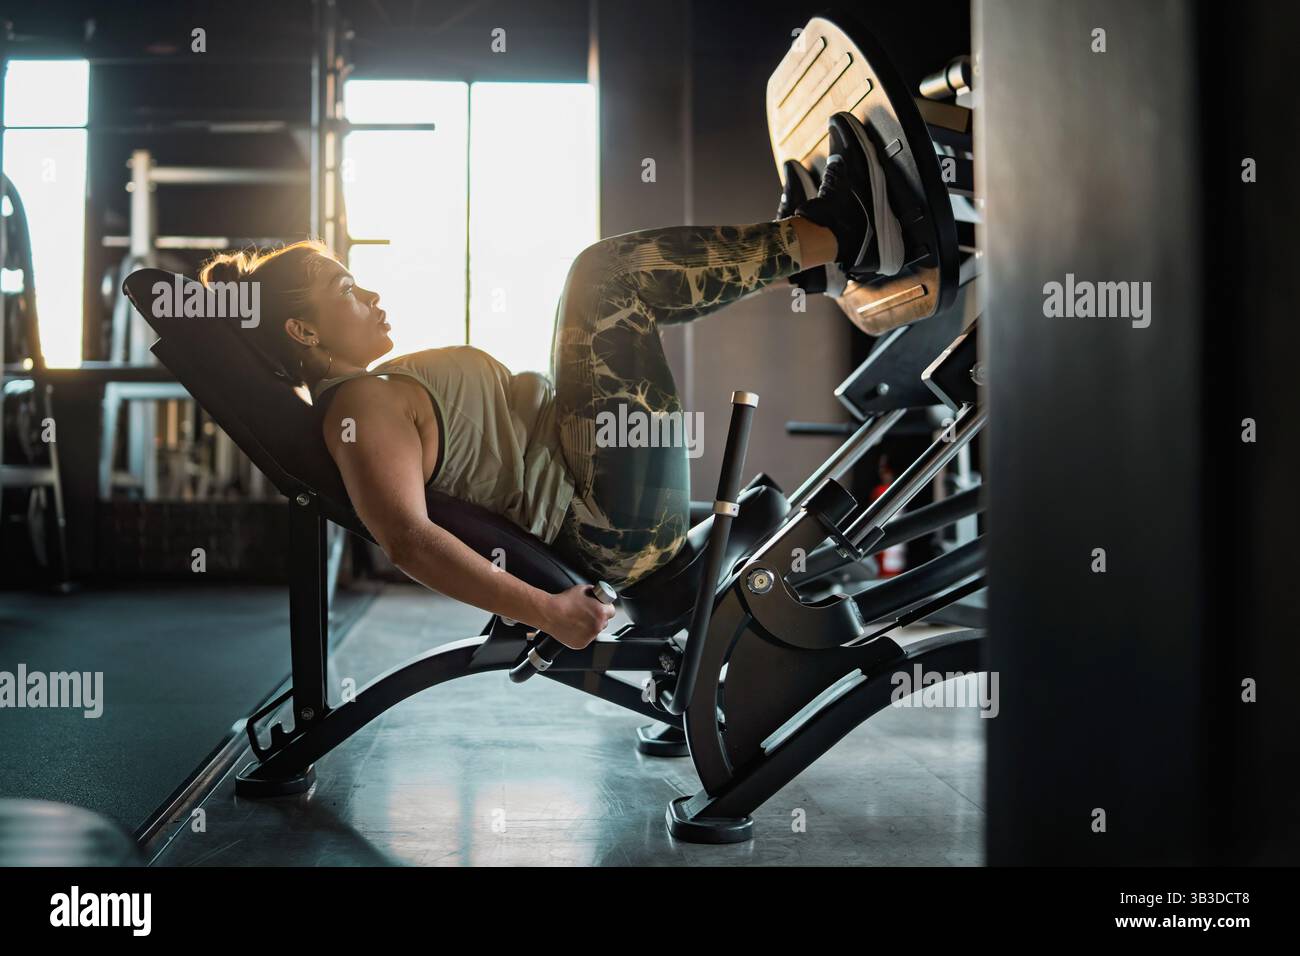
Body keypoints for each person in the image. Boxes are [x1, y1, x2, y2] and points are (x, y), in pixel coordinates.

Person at [199, 112, 901, 651]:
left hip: (599, 490)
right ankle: (838, 232)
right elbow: (408, 540)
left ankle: (812, 247)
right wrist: (550, 613)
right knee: (603, 281)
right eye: (345, 290)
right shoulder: (357, 411)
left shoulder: (377, 389)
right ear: (304, 333)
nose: (371, 297)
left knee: (597, 287)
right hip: (605, 518)